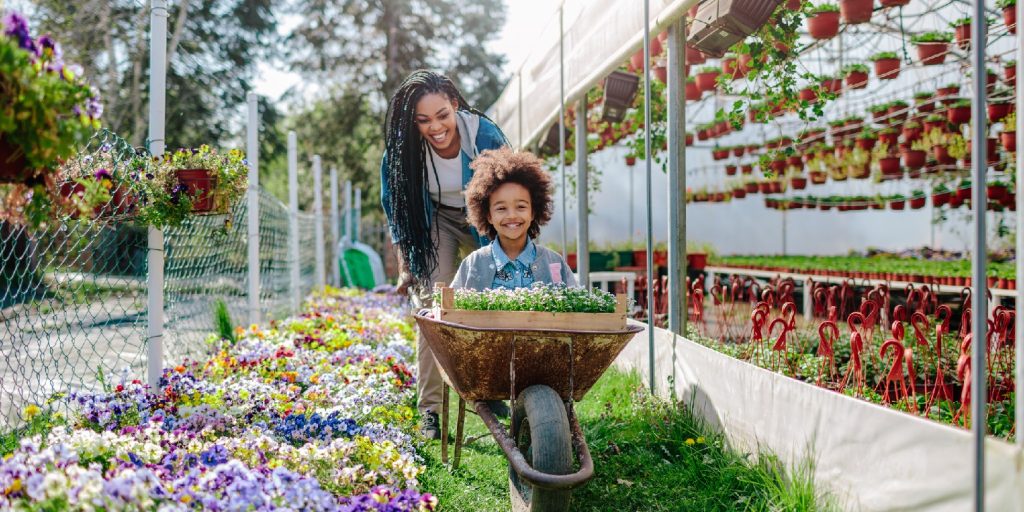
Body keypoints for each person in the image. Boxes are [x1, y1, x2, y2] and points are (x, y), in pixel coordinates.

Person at [380, 70, 507, 440]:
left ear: (455, 105)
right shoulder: (403, 153)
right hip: (435, 219)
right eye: (423, 120)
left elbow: (510, 191)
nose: (435, 127)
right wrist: (406, 266)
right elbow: (396, 210)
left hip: (482, 216)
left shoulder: (483, 134)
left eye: (442, 115)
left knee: (495, 295)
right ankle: (430, 411)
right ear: (412, 121)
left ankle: (490, 389)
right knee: (436, 305)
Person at [451, 147, 577, 292]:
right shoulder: (474, 263)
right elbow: (448, 308)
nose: (511, 215)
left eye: (521, 207)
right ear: (488, 216)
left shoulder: (554, 263)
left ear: (533, 212)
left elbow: (577, 308)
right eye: (501, 208)